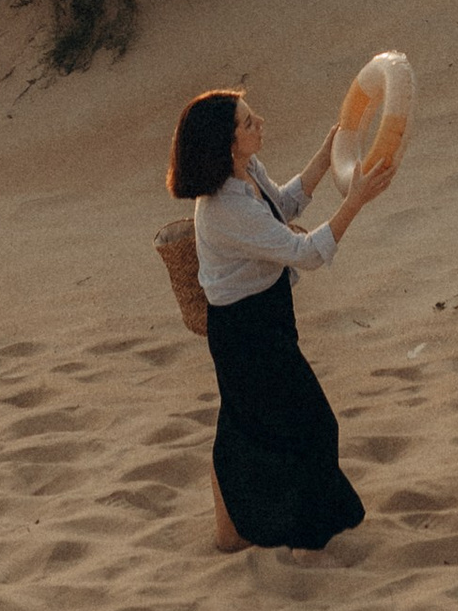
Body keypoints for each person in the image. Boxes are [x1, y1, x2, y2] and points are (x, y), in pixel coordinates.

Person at [169, 84, 395, 555]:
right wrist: (355, 201)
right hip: (244, 331)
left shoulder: (247, 171)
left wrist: (329, 152)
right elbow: (304, 252)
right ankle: (299, 534)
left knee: (245, 426)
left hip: (267, 316)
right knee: (309, 426)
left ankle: (231, 533)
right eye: (249, 123)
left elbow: (286, 206)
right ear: (228, 143)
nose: (261, 125)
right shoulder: (223, 209)